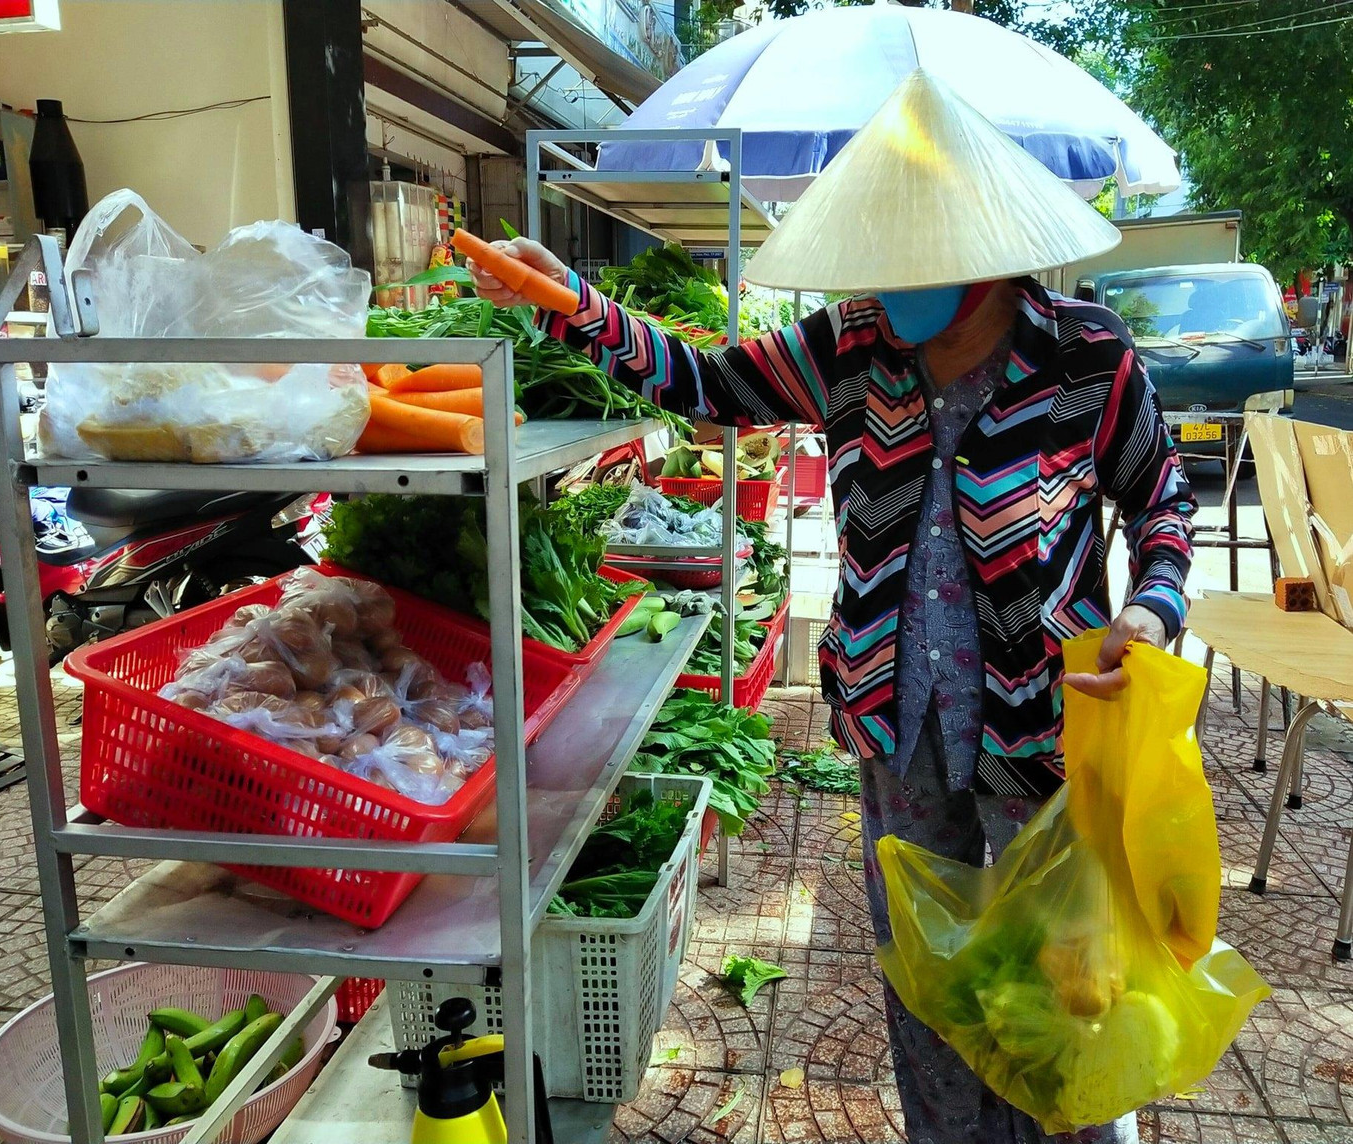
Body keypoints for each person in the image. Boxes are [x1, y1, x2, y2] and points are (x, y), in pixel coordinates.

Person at [467, 71, 1195, 1144]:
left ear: (986, 246)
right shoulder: (850, 345)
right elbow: (704, 383)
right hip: (896, 723)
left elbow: (1160, 501)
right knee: (926, 970)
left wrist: (1151, 614)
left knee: (1066, 975)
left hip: (1044, 727)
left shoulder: (1086, 357)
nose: (889, 277)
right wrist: (576, 306)